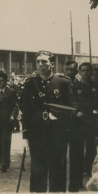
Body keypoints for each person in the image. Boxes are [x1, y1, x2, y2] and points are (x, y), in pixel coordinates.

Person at [21, 50, 75, 192]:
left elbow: (72, 108)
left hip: (57, 134)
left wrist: (58, 115)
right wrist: (25, 136)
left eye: (44, 61)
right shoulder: (30, 84)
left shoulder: (63, 82)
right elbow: (26, 112)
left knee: (58, 170)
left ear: (51, 63)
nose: (40, 64)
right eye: (38, 61)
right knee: (38, 170)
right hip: (37, 134)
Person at [62, 60, 84, 191]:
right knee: (61, 156)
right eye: (67, 69)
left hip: (77, 125)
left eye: (72, 69)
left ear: (76, 71)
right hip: (62, 125)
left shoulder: (80, 86)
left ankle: (75, 185)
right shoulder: (58, 85)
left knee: (77, 156)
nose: (69, 72)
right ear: (63, 70)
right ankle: (61, 185)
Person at [73, 62, 98, 178]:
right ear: (79, 72)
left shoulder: (96, 86)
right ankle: (79, 172)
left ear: (92, 71)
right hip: (80, 121)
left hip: (92, 121)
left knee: (91, 147)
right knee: (78, 148)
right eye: (83, 70)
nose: (86, 73)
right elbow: (72, 103)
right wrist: (76, 112)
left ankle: (89, 169)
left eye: (88, 70)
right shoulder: (75, 87)